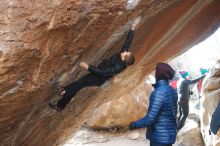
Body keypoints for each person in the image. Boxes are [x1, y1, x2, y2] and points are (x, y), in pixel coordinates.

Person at [49, 22, 138, 111]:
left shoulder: (118, 67)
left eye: (126, 53)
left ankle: (63, 91)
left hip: (98, 78)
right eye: (127, 52)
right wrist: (132, 29)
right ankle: (60, 106)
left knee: (81, 82)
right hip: (99, 71)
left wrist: (87, 67)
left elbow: (102, 72)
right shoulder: (123, 55)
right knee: (78, 86)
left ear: (124, 58)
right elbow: (127, 43)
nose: (126, 51)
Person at [129, 63, 178, 146]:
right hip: (169, 135)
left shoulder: (158, 93)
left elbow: (150, 118)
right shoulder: (172, 91)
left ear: (159, 74)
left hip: (159, 138)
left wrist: (133, 125)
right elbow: (173, 113)